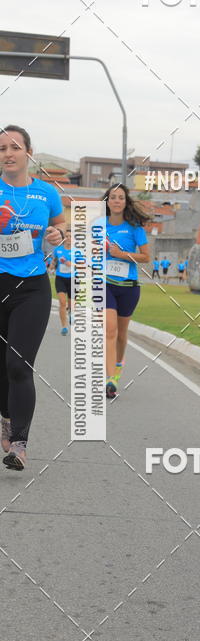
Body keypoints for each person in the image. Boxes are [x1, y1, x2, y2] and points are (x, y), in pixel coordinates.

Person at [0, 125, 64, 469]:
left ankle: (19, 444)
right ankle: (7, 419)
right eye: (1, 149)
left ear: (28, 152)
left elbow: (60, 226)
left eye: (14, 147)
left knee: (18, 365)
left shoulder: (46, 193)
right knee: (1, 368)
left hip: (32, 287)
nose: (8, 154)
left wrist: (58, 233)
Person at [103, 184, 151, 398]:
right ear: (107, 201)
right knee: (110, 330)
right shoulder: (97, 225)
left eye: (120, 197)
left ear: (125, 202)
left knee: (122, 333)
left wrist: (120, 254)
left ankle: (119, 364)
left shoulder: (134, 228)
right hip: (104, 285)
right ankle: (110, 379)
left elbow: (146, 257)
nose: (116, 201)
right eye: (112, 197)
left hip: (129, 287)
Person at [53, 227, 73, 335]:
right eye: (67, 236)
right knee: (62, 302)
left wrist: (70, 264)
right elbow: (54, 260)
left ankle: (71, 312)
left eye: (71, 237)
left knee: (71, 305)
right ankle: (64, 326)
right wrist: (51, 265)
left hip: (73, 280)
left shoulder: (77, 251)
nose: (68, 238)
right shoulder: (58, 249)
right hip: (60, 278)